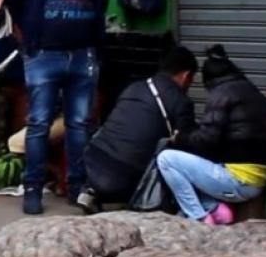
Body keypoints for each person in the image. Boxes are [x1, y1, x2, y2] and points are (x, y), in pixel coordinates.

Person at [4, 0, 111, 215]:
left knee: (80, 124)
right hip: (43, 56)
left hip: (82, 56)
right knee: (38, 123)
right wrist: (30, 39)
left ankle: (76, 187)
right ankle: (33, 189)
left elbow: (101, 2)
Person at [157, 46, 266, 224]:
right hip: (258, 180)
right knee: (194, 165)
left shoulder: (221, 94)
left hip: (239, 182)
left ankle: (199, 217)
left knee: (166, 159)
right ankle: (216, 210)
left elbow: (206, 141)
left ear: (209, 81)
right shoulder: (254, 93)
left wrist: (180, 138)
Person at [78, 46, 198, 214]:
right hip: (123, 178)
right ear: (186, 76)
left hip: (92, 161)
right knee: (172, 155)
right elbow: (190, 143)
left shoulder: (134, 87)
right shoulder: (180, 101)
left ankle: (91, 190)